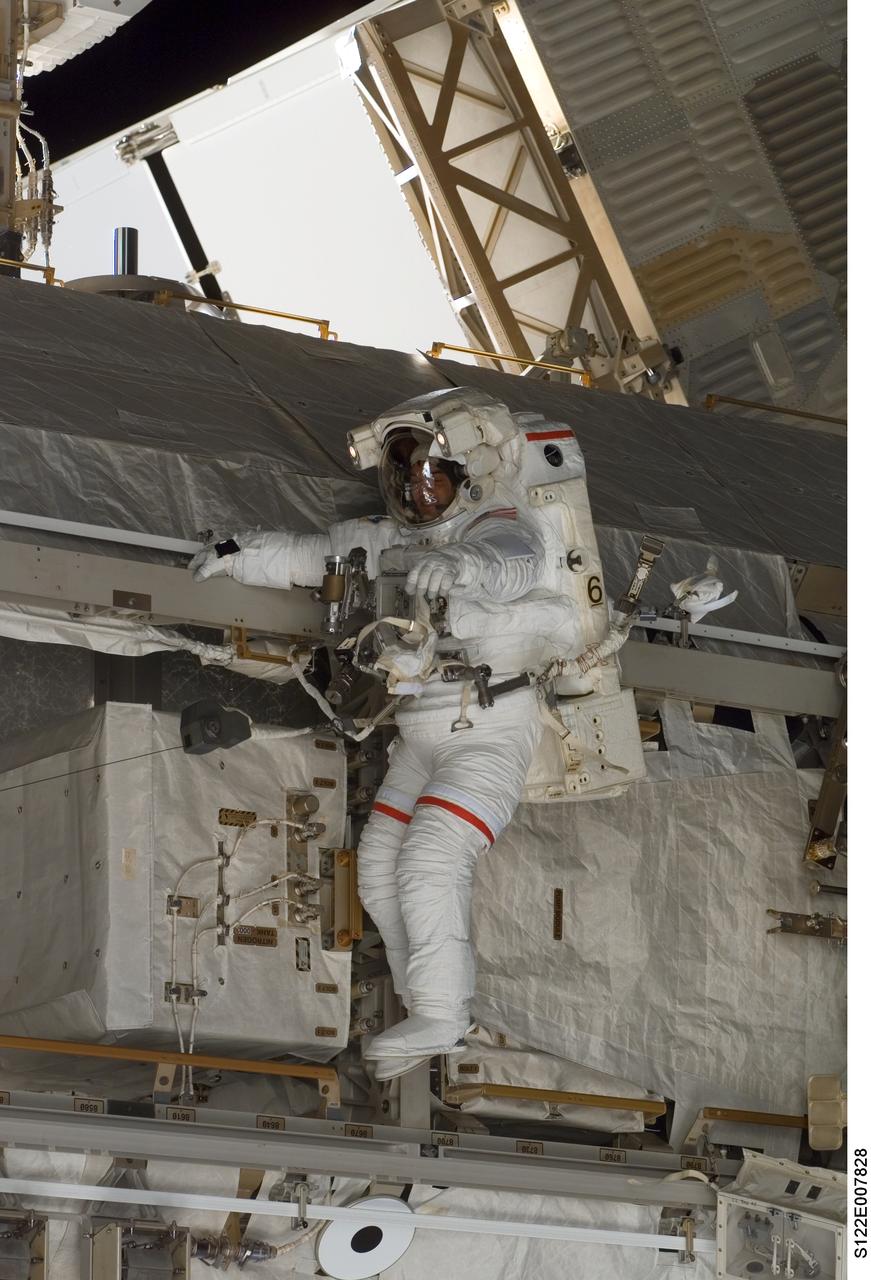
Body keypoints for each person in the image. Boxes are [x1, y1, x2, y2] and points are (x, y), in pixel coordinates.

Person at [190, 391, 585, 1079]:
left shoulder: (504, 528)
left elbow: (509, 562)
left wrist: (460, 569)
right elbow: (312, 559)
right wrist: (239, 551)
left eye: (428, 476)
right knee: (377, 872)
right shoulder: (384, 543)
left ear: (468, 473)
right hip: (421, 736)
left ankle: (443, 1012)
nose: (413, 492)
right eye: (402, 478)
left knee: (430, 861)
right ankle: (425, 1010)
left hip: (488, 729)